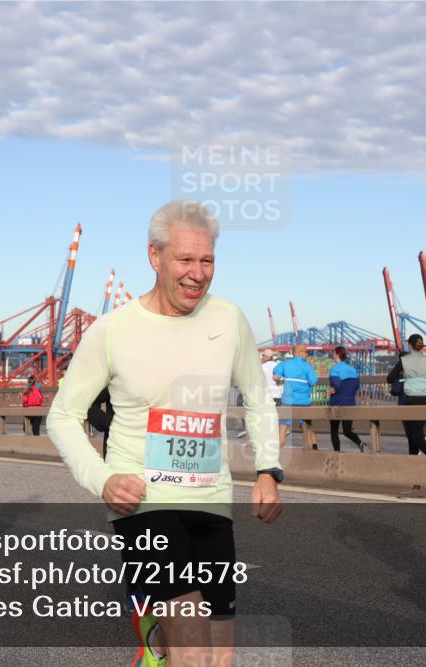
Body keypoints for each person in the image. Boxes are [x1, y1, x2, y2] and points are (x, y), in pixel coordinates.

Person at [47, 200, 282, 667]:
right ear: (155, 257)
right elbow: (62, 415)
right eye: (185, 260)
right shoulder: (113, 331)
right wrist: (103, 479)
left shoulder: (229, 319)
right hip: (142, 499)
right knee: (193, 650)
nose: (198, 274)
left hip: (211, 498)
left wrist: (267, 469)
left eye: (207, 260)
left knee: (220, 659)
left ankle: (156, 644)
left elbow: (257, 396)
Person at [386, 333, 426, 455]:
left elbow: (390, 379)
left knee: (415, 435)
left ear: (410, 345)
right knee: (413, 434)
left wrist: (405, 377)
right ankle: (414, 462)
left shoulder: (404, 361)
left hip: (410, 400)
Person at [274, 344, 319, 449]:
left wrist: (279, 380)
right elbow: (313, 381)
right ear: (298, 353)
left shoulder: (285, 364)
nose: (307, 354)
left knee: (283, 426)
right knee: (306, 427)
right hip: (304, 402)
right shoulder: (308, 366)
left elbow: (276, 376)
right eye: (305, 352)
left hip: (288, 401)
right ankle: (311, 451)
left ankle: (280, 451)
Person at [328, 346, 364, 452]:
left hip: (337, 403)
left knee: (334, 431)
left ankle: (337, 452)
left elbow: (337, 385)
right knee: (347, 430)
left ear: (336, 355)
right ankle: (360, 443)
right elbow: (356, 386)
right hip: (350, 403)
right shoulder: (353, 369)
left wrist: (332, 390)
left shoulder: (334, 369)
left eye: (334, 353)